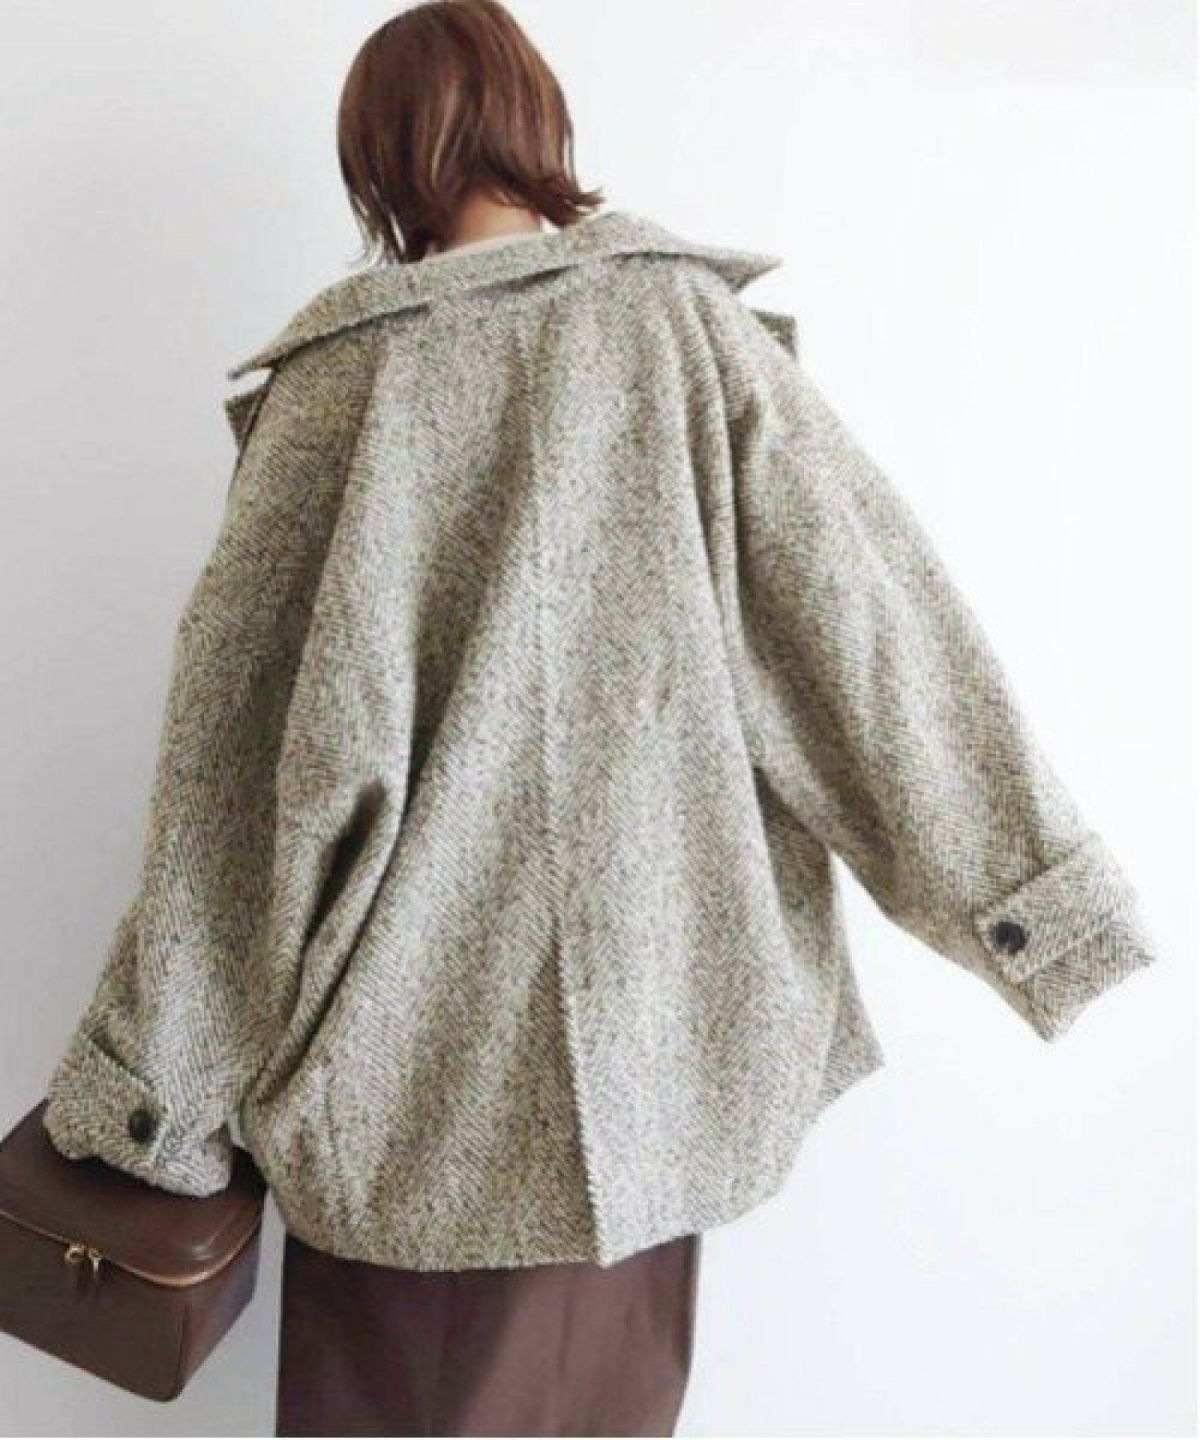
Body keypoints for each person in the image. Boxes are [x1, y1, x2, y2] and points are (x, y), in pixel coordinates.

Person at [39, 1, 1159, 1435]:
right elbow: (868, 640)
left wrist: (154, 1091)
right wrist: (1030, 898)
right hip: (655, 1082)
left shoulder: (338, 393)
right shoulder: (683, 334)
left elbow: (239, 792)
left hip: (409, 1092)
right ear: (536, 119)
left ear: (377, 160)